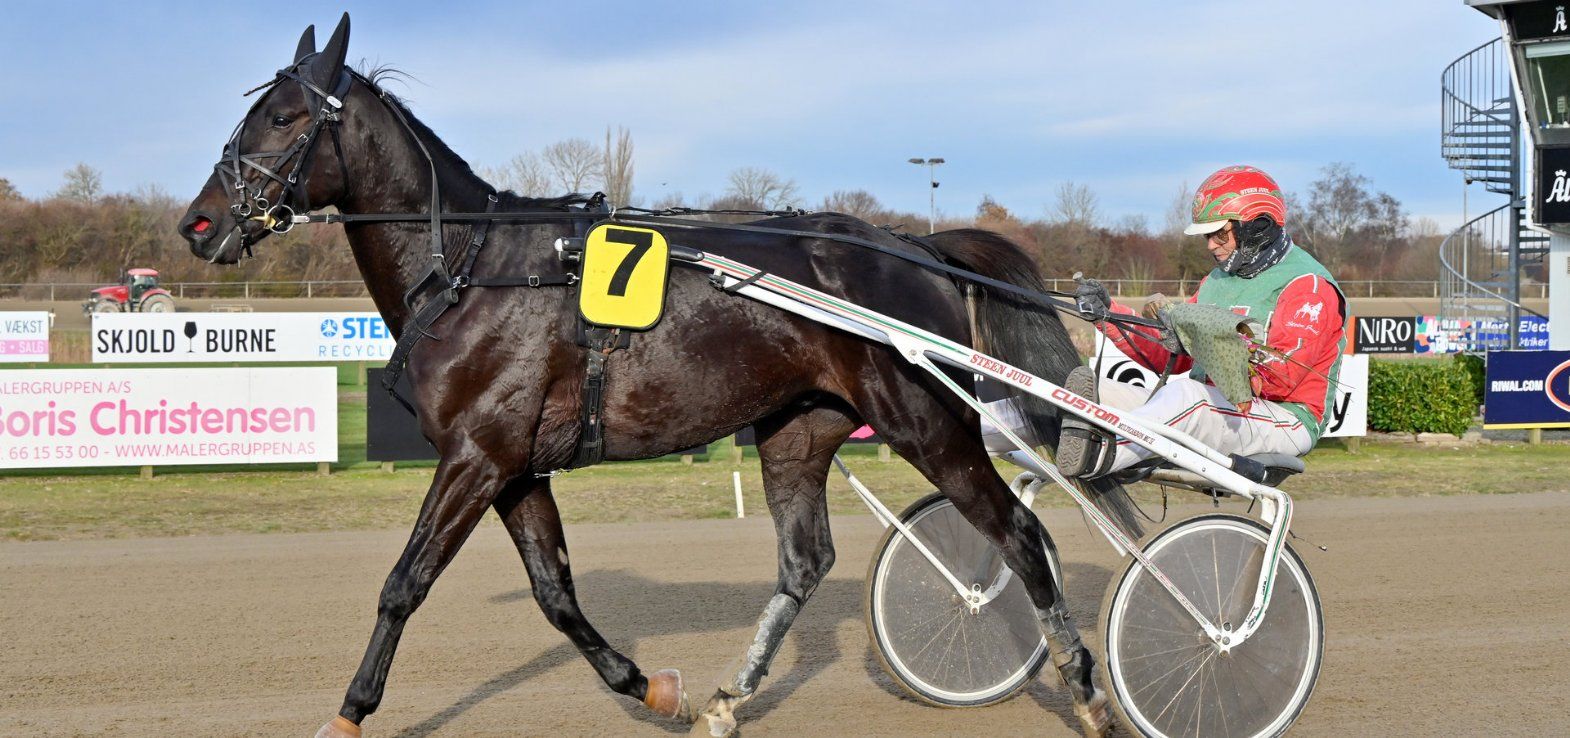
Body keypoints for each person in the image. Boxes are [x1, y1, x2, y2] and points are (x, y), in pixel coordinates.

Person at [1056, 165, 1347, 479]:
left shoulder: (1309, 286)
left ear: (1257, 228)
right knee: (1078, 390)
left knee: (1185, 396)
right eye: (1208, 235)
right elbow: (1170, 355)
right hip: (1215, 408)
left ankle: (1103, 456)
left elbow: (1280, 378)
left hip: (1284, 419)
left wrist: (1204, 339)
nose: (1210, 244)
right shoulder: (1217, 280)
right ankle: (1000, 440)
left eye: (1219, 233)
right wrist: (1109, 314)